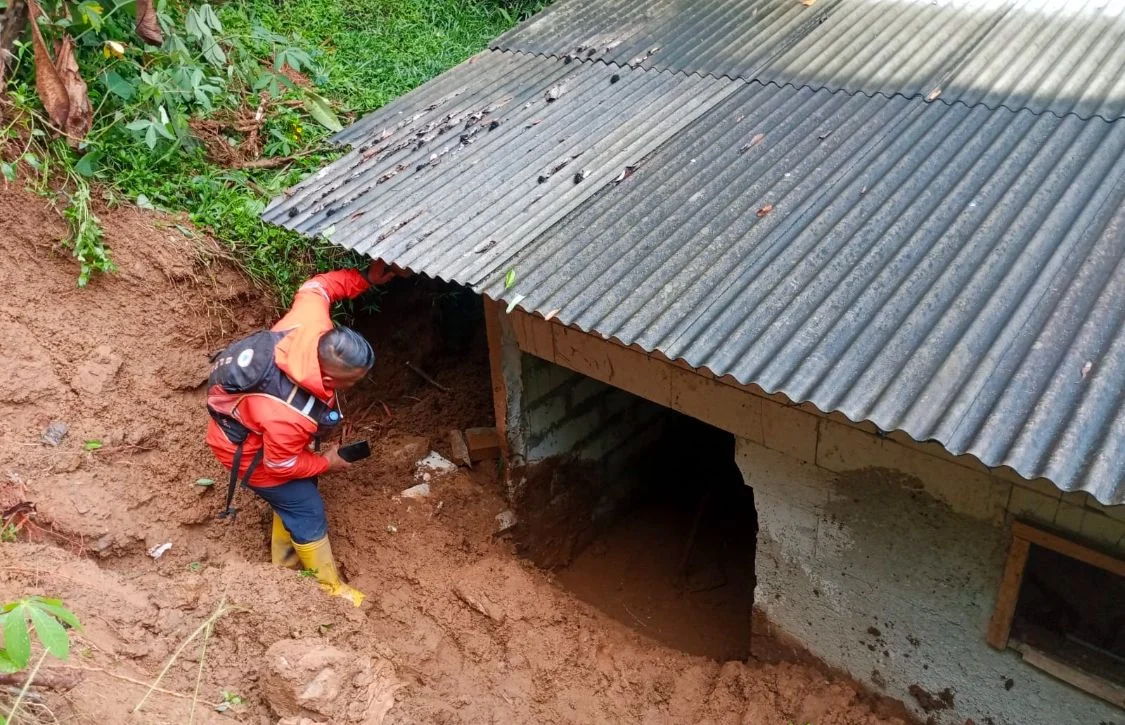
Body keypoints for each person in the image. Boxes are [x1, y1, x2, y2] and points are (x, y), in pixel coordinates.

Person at [205, 261, 404, 606]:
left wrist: (366, 279)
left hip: (257, 423)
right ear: (329, 380)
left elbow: (319, 287)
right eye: (352, 382)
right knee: (306, 505)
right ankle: (330, 590)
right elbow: (280, 466)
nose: (356, 386)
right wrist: (326, 462)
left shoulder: (310, 323)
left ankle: (283, 566)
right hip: (244, 449)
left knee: (296, 496)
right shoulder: (287, 414)